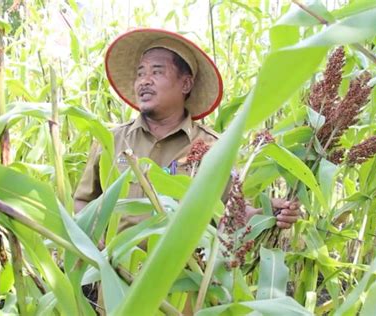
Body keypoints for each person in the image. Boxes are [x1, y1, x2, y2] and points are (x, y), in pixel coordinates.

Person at [74, 28, 300, 229]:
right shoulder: (110, 140)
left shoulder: (213, 149)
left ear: (185, 84)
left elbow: (232, 214)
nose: (144, 80)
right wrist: (92, 234)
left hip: (182, 274)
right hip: (112, 271)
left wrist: (269, 214)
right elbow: (82, 201)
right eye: (140, 73)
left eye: (157, 72)